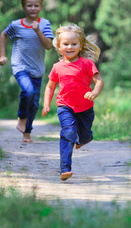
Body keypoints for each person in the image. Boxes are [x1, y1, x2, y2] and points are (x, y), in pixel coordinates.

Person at [42, 24, 104, 181]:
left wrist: (94, 92)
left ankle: (84, 139)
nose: (69, 47)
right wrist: (47, 104)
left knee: (85, 136)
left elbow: (99, 81)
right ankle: (65, 169)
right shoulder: (57, 67)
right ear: (58, 46)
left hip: (85, 108)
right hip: (65, 106)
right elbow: (50, 87)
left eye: (74, 44)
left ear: (80, 45)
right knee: (68, 133)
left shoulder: (87, 64)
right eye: (66, 44)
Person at [0, 0, 53, 143]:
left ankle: (27, 132)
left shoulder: (45, 24)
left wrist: (38, 31)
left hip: (37, 70)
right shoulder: (16, 25)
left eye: (36, 5)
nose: (33, 9)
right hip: (19, 66)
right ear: (23, 7)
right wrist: (3, 55)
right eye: (29, 5)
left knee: (34, 104)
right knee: (27, 91)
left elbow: (48, 46)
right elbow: (4, 35)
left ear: (41, 7)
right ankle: (21, 117)